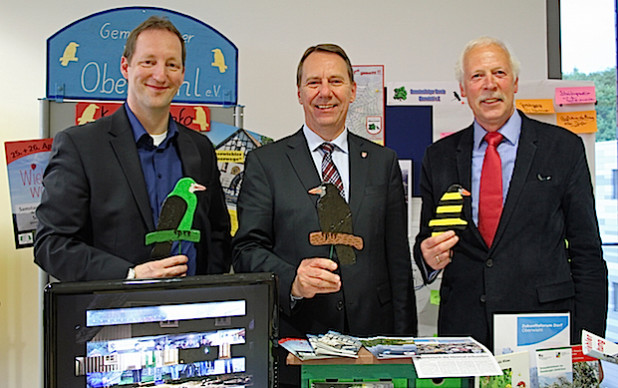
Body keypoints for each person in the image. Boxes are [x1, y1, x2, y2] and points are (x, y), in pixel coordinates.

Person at [233, 43, 417, 385]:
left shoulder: (383, 163)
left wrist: (405, 346)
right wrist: (293, 281)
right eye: (313, 82)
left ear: (352, 90)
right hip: (297, 341)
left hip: (371, 345)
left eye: (335, 81)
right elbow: (246, 252)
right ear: (300, 93)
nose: (325, 92)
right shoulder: (266, 163)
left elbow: (397, 262)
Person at [413, 36, 608, 348]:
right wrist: (427, 257)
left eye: (499, 73)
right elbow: (427, 239)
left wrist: (588, 347)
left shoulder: (563, 148)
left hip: (543, 332)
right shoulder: (439, 157)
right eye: (477, 76)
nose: (489, 84)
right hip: (465, 331)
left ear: (515, 82)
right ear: (463, 89)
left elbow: (587, 255)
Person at [34, 16, 231, 281]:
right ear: (125, 67)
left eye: (171, 65)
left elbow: (217, 235)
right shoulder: (80, 147)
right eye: (148, 62)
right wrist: (130, 275)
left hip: (191, 314)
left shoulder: (200, 149)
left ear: (182, 74)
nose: (160, 75)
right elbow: (51, 245)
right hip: (113, 314)